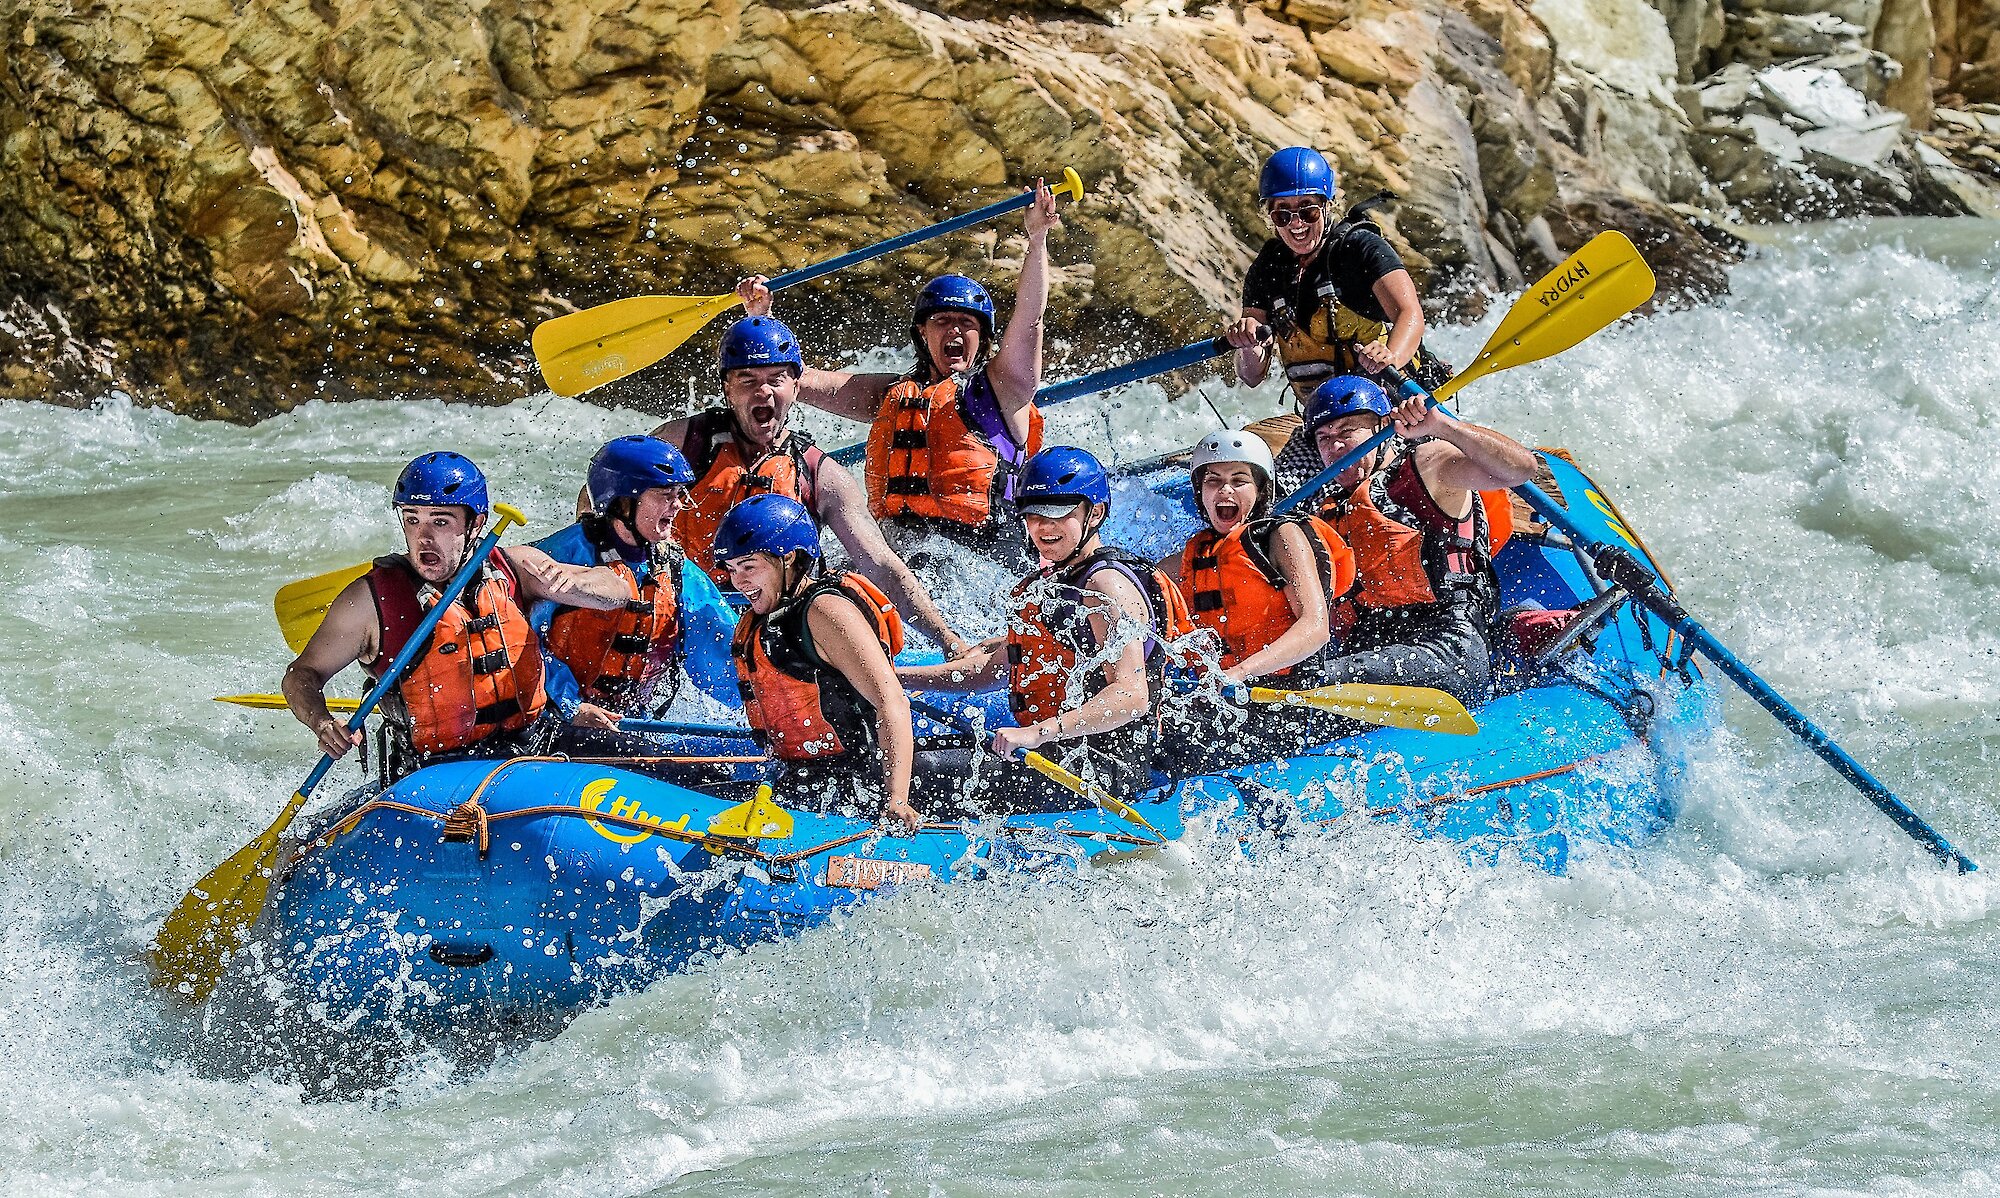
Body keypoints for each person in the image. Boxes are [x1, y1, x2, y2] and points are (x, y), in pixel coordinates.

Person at [731, 179, 1061, 567]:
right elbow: (794, 380)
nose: (954, 330)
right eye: (942, 320)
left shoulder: (1003, 390)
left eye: (966, 323)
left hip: (982, 561)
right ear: (923, 333)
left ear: (983, 336)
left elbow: (1030, 320)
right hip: (899, 554)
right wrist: (761, 320)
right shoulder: (893, 393)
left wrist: (1037, 239)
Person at [283, 452, 637, 782]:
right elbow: (302, 675)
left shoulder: (511, 568)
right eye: (412, 520)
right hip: (436, 775)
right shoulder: (371, 602)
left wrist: (574, 581)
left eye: (440, 522)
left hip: (534, 748)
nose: (423, 538)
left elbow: (617, 589)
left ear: (475, 523)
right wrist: (322, 721)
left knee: (669, 765)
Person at [649, 314, 970, 657]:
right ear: (727, 388)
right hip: (685, 614)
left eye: (777, 379)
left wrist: (948, 640)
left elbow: (881, 565)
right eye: (747, 380)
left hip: (772, 632)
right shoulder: (681, 444)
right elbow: (602, 501)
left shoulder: (820, 474)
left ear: (796, 387)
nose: (763, 391)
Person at [900, 447, 1194, 808]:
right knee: (901, 755)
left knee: (912, 772)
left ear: (1095, 512)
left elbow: (1131, 696)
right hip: (1058, 753)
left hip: (1102, 769)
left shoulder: (1106, 587)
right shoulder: (1055, 583)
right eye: (1034, 515)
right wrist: (896, 678)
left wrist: (1038, 733)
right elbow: (986, 674)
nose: (1043, 527)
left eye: (1058, 514)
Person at [1223, 146, 1456, 492]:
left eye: (1308, 211)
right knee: (1275, 496)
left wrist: (1390, 355)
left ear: (1327, 205)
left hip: (1396, 411)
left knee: (1416, 489)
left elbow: (1410, 315)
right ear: (1270, 217)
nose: (1297, 224)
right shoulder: (1266, 270)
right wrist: (1246, 343)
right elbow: (1252, 375)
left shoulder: (1360, 249)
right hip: (1324, 427)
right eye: (1283, 215)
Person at [1303, 376, 1532, 705]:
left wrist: (1441, 427)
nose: (1334, 447)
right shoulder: (1326, 512)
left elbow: (1520, 469)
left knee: (1312, 682)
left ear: (1382, 428)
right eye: (1324, 438)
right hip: (1371, 651)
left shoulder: (1425, 466)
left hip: (1445, 646)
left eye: (1346, 432)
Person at [715, 494, 923, 834]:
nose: (738, 581)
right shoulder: (764, 618)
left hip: (860, 777)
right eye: (732, 569)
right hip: (808, 776)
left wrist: (896, 800)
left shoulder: (825, 612)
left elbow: (892, 702)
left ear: (789, 559)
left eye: (749, 566)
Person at [530, 436, 739, 750]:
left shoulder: (676, 570)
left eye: (678, 494)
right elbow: (518, 639)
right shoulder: (560, 556)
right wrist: (570, 705)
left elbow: (723, 651)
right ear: (623, 502)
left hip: (633, 724)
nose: (678, 505)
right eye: (664, 495)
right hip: (554, 721)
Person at [1165, 429, 1356, 768]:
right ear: (1200, 492)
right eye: (1213, 481)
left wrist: (1240, 673)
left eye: (1239, 480)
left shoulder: (1281, 535)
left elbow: (1315, 627)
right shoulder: (1197, 552)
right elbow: (1135, 582)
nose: (1225, 490)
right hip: (1230, 696)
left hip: (1292, 697)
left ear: (1260, 489)